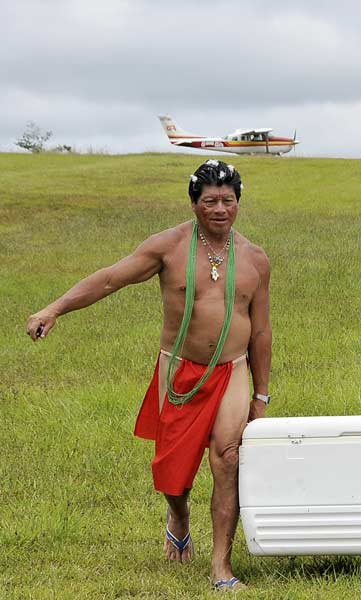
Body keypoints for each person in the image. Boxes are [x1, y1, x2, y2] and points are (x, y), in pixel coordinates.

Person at [25, 159, 271, 592]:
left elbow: (262, 329)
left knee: (227, 460)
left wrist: (262, 396)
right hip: (179, 370)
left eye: (228, 200)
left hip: (232, 371)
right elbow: (107, 281)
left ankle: (221, 569)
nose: (220, 209)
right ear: (194, 203)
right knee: (172, 474)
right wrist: (54, 308)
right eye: (210, 200)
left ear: (238, 203)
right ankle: (178, 513)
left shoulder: (254, 258)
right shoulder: (168, 247)